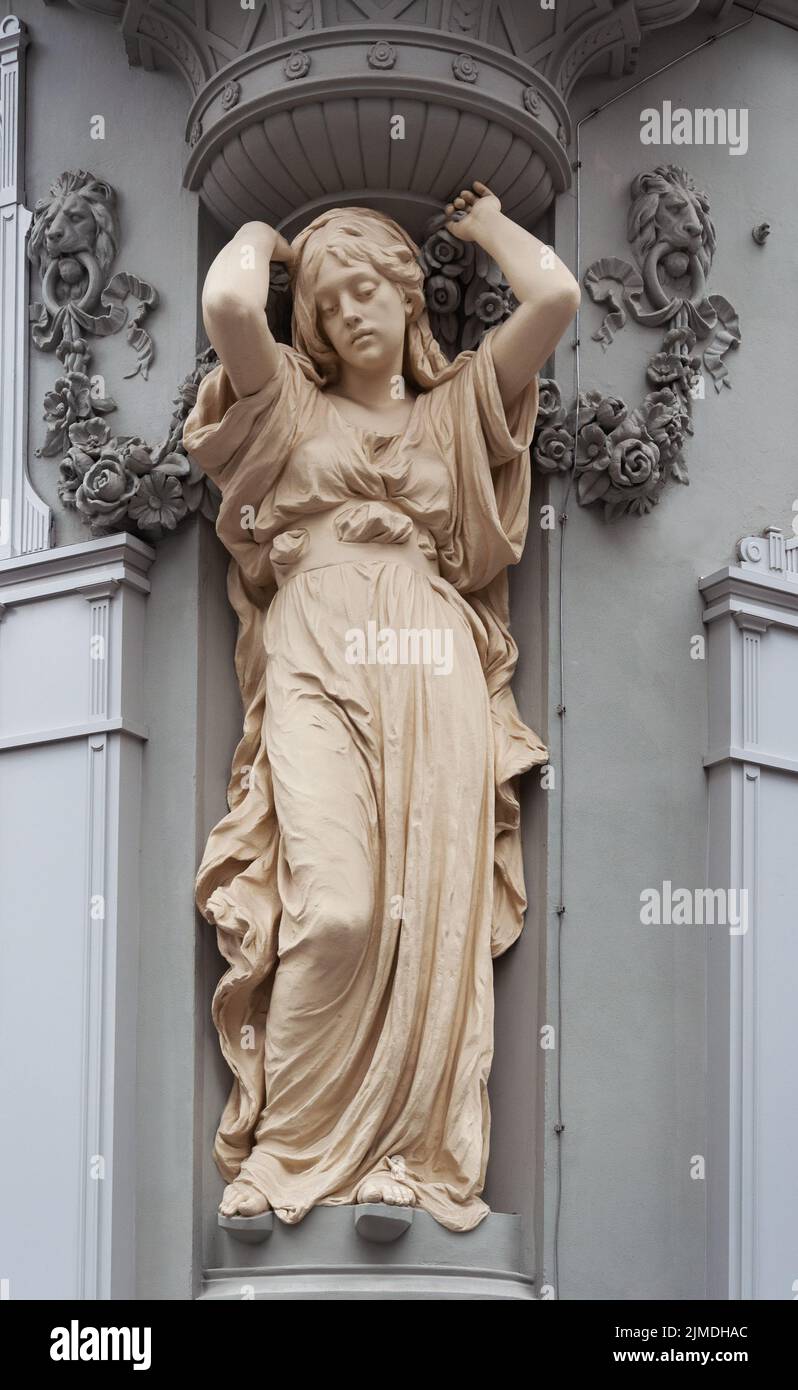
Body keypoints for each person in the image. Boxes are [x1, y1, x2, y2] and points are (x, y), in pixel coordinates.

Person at [182, 181, 580, 1232]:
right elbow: (230, 310)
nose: (349, 311)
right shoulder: (294, 406)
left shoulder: (458, 409)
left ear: (410, 298)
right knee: (341, 905)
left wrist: (485, 227)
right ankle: (283, 1151)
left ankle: (413, 1153)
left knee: (429, 916)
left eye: (367, 289)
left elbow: (554, 296)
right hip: (315, 639)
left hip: (429, 652)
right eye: (327, 304)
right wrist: (270, 239)